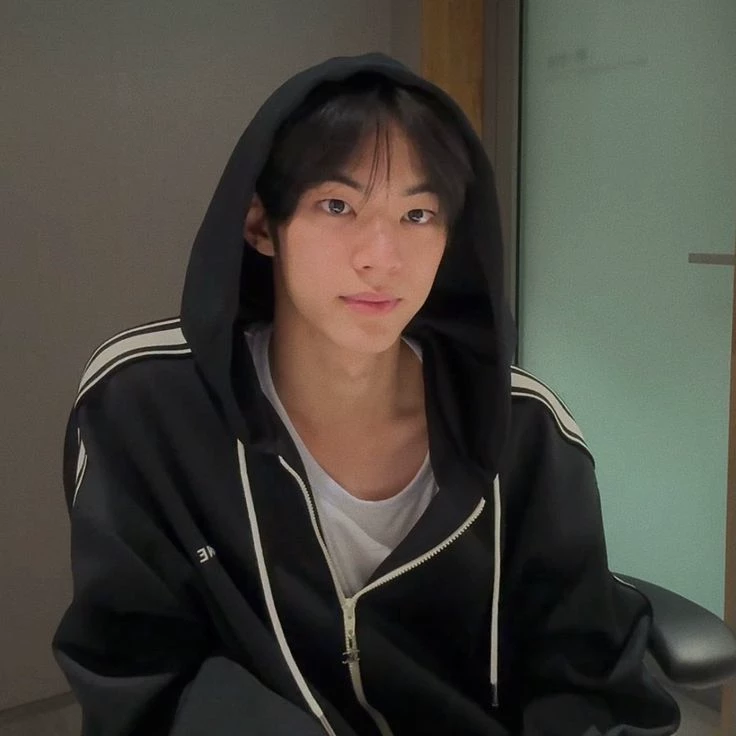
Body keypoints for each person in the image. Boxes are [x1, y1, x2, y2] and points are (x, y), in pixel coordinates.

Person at [53, 53, 680, 736]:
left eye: (418, 214)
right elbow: (139, 674)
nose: (382, 257)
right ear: (261, 225)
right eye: (338, 205)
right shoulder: (145, 408)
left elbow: (587, 677)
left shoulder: (522, 429)